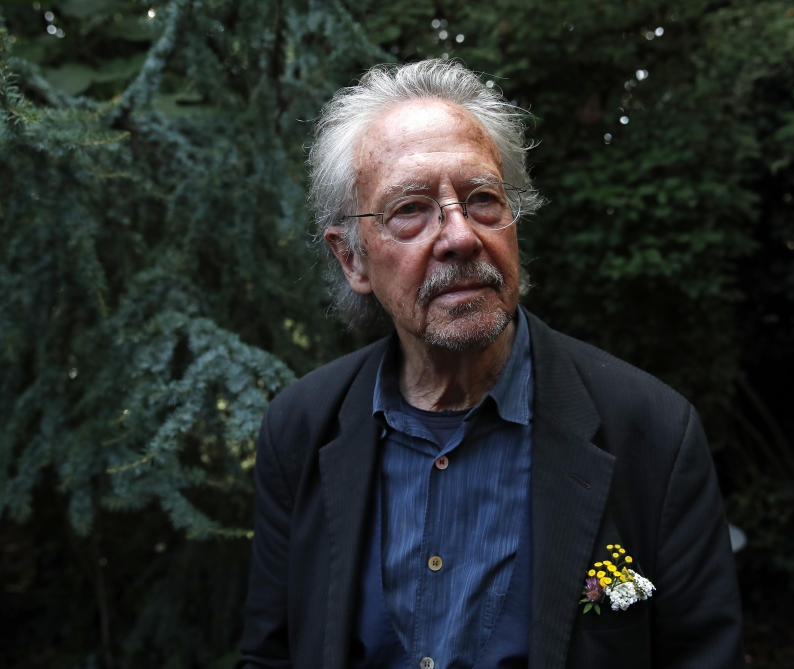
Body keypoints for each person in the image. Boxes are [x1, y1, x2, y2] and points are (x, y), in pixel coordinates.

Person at [238, 59, 743, 669]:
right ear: (352, 260)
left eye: (481, 199)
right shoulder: (302, 428)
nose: (459, 236)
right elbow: (271, 655)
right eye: (410, 209)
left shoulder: (651, 432)